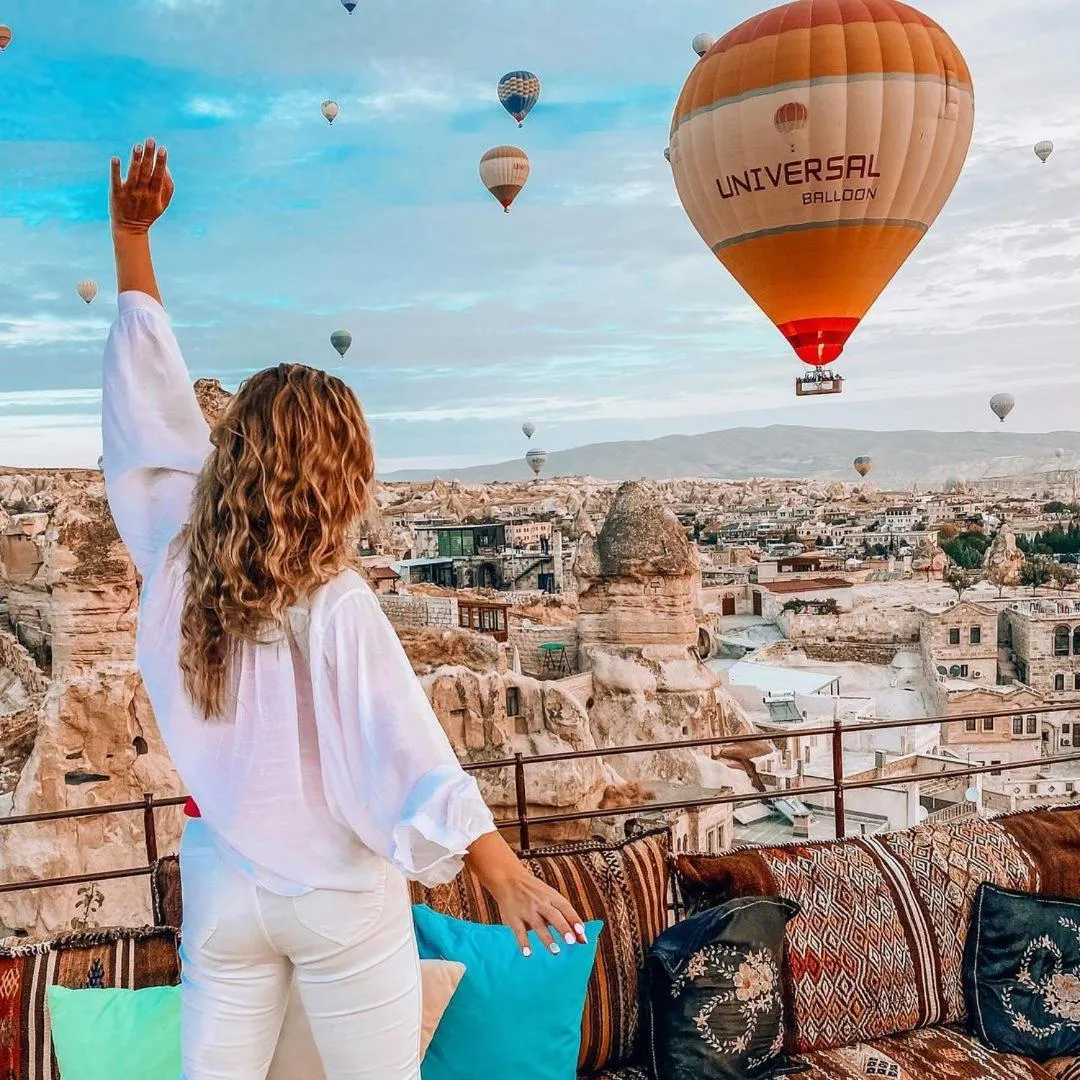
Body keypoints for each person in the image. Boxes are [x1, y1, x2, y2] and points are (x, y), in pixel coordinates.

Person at [102, 138, 586, 1080]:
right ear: (344, 475)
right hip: (332, 888)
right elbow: (403, 745)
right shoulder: (335, 602)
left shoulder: (173, 556)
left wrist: (130, 242)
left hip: (219, 877)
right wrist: (497, 865)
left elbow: (145, 408)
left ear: (231, 453)